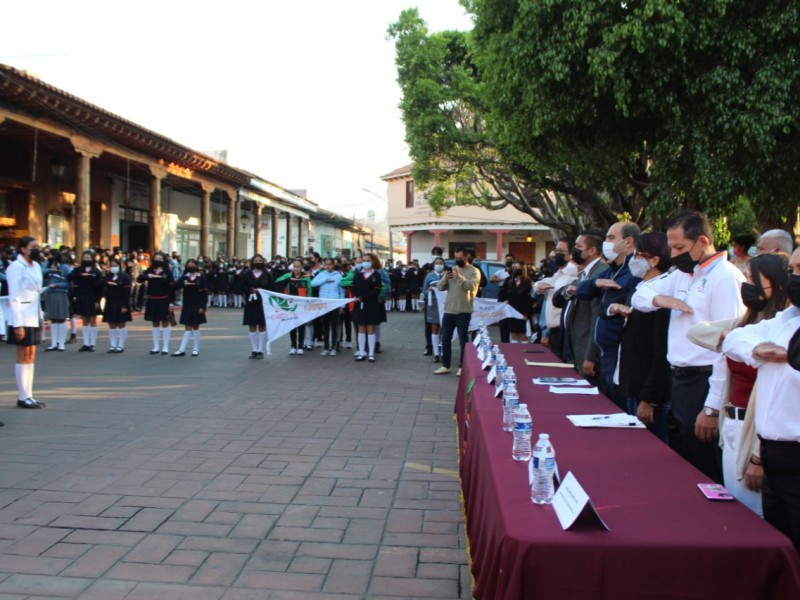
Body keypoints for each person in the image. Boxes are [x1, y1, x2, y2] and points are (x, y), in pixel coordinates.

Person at [632, 210, 745, 483]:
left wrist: (712, 407)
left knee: (706, 464)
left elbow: (726, 347)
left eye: (679, 247)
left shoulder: (725, 278)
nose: (673, 253)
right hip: (679, 379)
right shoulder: (683, 273)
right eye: (671, 247)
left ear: (703, 241)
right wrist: (661, 299)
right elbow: (640, 295)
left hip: (705, 380)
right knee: (686, 462)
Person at [687, 252, 790, 516]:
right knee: (735, 506)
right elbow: (697, 332)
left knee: (756, 513)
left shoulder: (781, 328)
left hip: (755, 431)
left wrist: (758, 455)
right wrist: (740, 342)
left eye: (753, 279)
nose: (746, 285)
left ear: (776, 284)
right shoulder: (745, 324)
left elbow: (778, 402)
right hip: (732, 423)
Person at [722, 247, 800, 549]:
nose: (794, 277)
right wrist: (759, 349)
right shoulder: (787, 319)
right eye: (792, 270)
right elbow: (734, 338)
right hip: (772, 451)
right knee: (779, 543)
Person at [611, 233, 672, 443]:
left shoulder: (663, 291)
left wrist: (649, 399)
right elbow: (607, 306)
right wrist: (614, 307)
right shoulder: (641, 285)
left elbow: (661, 350)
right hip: (632, 382)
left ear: (654, 260)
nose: (633, 260)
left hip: (649, 390)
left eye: (638, 255)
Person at [576, 221, 642, 405]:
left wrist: (607, 307)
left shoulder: (637, 272)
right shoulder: (610, 271)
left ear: (628, 242)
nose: (606, 242)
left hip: (620, 355)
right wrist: (595, 283)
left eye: (611, 238)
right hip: (604, 355)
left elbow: (622, 308)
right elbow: (581, 291)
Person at [558, 230, 607, 379]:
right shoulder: (585, 272)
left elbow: (596, 317)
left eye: (579, 246)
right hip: (576, 344)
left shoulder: (601, 273)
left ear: (592, 250)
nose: (574, 250)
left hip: (587, 348)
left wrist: (590, 356)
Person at [6, 236, 45, 409]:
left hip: (33, 315)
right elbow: (14, 296)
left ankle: (29, 395)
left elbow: (35, 291)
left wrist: (41, 317)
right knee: (22, 355)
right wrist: (17, 324)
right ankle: (22, 397)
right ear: (23, 249)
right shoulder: (16, 267)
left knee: (31, 355)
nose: (36, 249)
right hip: (21, 315)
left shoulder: (36, 266)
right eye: (33, 247)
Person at [434, 247, 481, 376]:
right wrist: (445, 279)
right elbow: (439, 287)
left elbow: (471, 287)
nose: (458, 260)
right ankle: (446, 365)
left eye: (460, 258)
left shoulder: (474, 271)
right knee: (445, 339)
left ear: (467, 257)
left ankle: (462, 366)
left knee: (463, 340)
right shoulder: (451, 270)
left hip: (463, 311)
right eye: (456, 258)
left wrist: (459, 277)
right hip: (449, 310)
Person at [533, 239, 577, 359]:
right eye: (556, 250)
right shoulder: (559, 273)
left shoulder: (573, 276)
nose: (555, 254)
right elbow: (540, 284)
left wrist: (547, 333)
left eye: (561, 251)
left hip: (560, 332)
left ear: (571, 254)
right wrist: (539, 285)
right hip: (550, 330)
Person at [138, 251, 176, 355]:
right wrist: (147, 277)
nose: (158, 261)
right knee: (154, 322)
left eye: (160, 259)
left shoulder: (167, 272)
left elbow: (171, 288)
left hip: (164, 299)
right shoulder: (150, 270)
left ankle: (165, 347)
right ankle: (155, 346)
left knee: (165, 322)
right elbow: (139, 279)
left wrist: (172, 303)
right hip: (152, 299)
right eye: (156, 258)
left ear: (164, 260)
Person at [351, 253, 384, 362]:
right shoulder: (358, 275)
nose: (365, 263)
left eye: (367, 260)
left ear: (372, 262)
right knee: (361, 328)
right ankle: (361, 352)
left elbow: (376, 290)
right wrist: (356, 296)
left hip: (372, 305)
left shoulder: (376, 275)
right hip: (359, 305)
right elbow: (353, 287)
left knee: (371, 329)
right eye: (363, 260)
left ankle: (371, 353)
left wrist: (363, 297)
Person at [68, 251, 104, 352]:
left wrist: (98, 300)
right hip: (82, 296)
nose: (86, 260)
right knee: (84, 320)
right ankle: (86, 343)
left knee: (92, 320)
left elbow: (101, 286)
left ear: (92, 259)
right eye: (84, 258)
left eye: (88, 258)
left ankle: (93, 344)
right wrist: (79, 275)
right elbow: (69, 277)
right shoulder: (78, 269)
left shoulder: (96, 271)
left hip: (93, 297)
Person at [173, 259, 208, 357]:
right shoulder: (185, 277)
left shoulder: (201, 277)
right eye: (189, 265)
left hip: (197, 304)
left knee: (196, 326)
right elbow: (175, 286)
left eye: (193, 265)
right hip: (187, 304)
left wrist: (203, 306)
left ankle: (195, 349)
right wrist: (182, 284)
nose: (191, 266)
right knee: (187, 326)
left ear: (196, 266)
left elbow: (204, 293)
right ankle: (182, 349)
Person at [242, 254, 275, 359]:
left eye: (260, 260)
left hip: (263, 303)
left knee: (261, 326)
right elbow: (242, 286)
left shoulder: (267, 274)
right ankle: (254, 350)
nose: (258, 262)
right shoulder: (248, 274)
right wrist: (250, 289)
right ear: (252, 262)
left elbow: (273, 288)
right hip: (251, 303)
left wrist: (262, 291)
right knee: (252, 326)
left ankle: (260, 350)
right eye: (256, 260)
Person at [311, 257, 344, 355]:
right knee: (325, 327)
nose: (328, 266)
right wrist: (325, 280)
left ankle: (333, 347)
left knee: (334, 326)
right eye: (326, 264)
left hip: (334, 303)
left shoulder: (338, 275)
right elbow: (313, 283)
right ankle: (326, 348)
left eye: (330, 264)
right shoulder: (321, 274)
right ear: (323, 265)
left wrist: (342, 306)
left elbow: (341, 291)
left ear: (333, 265)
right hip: (324, 303)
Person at [101, 257, 132, 353]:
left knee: (121, 323)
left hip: (121, 302)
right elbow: (101, 285)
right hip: (110, 302)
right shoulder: (108, 276)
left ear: (120, 266)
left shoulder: (125, 277)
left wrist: (125, 305)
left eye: (115, 265)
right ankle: (113, 345)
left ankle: (121, 345)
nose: (113, 267)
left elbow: (127, 292)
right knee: (111, 323)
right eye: (112, 266)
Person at [42, 250, 71, 352]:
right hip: (50, 294)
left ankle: (61, 343)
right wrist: (50, 270)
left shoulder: (64, 267)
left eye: (50, 254)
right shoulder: (48, 265)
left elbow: (68, 282)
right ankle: (54, 343)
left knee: (61, 318)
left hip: (61, 293)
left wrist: (57, 285)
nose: (48, 256)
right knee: (53, 319)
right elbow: (41, 272)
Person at [497, 261, 533, 343]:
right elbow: (502, 293)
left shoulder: (527, 281)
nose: (515, 270)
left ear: (523, 269)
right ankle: (514, 353)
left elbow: (530, 299)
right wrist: (504, 301)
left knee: (523, 335)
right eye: (514, 268)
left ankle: (524, 355)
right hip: (511, 312)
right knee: (514, 335)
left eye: (517, 268)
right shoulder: (509, 280)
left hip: (523, 312)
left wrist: (526, 313)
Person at [423, 257, 447, 362]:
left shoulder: (447, 275)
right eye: (436, 263)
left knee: (444, 329)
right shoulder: (429, 276)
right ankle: (436, 353)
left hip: (445, 305)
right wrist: (429, 291)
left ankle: (443, 351)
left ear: (444, 264)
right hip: (432, 304)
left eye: (440, 263)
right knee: (434, 328)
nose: (438, 265)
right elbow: (424, 291)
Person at [491, 253, 516, 342]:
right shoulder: (500, 272)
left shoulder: (516, 271)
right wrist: (504, 280)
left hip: (513, 296)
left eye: (511, 259)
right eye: (507, 259)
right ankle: (504, 340)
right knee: (502, 319)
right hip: (502, 295)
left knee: (511, 318)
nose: (509, 261)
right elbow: (492, 279)